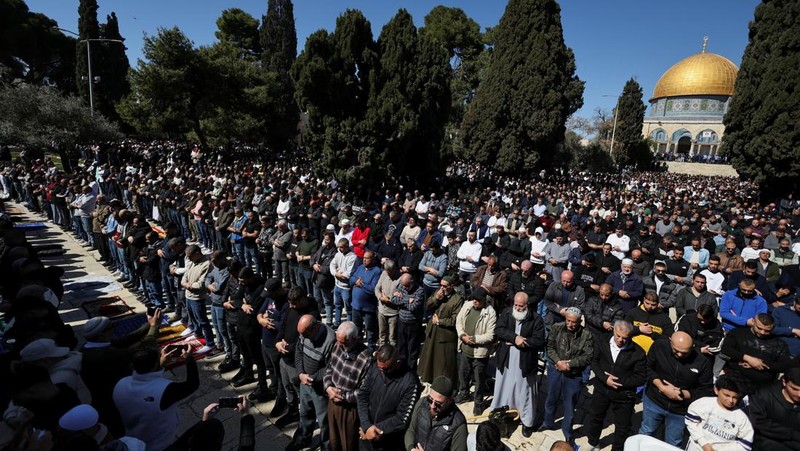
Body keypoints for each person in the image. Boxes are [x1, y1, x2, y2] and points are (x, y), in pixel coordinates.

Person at [113, 345, 199, 451]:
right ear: (154, 365)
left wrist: (159, 364)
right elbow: (192, 384)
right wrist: (189, 359)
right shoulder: (164, 389)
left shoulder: (120, 384)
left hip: (132, 438)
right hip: (160, 444)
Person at [638, 331, 713, 447]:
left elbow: (706, 390)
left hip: (680, 410)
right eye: (675, 351)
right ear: (670, 342)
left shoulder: (703, 362)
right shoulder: (659, 346)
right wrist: (662, 387)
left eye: (684, 353)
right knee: (646, 432)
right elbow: (647, 368)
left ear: (693, 347)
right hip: (654, 401)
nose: (679, 355)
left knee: (673, 442)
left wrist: (683, 394)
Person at [584, 320, 647, 451]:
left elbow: (641, 377)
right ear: (614, 331)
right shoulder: (602, 341)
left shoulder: (638, 352)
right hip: (602, 389)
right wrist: (604, 378)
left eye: (625, 338)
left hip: (623, 395)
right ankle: (593, 441)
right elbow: (594, 362)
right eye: (618, 336)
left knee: (622, 427)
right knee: (595, 416)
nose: (620, 340)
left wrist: (620, 382)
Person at [491, 292, 545, 437]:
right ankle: (501, 415)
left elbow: (539, 341)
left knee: (525, 392)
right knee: (504, 388)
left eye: (521, 306)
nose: (518, 308)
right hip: (506, 359)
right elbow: (498, 329)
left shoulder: (536, 319)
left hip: (525, 362)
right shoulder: (507, 313)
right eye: (516, 305)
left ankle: (527, 422)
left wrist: (523, 342)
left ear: (527, 305)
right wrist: (514, 338)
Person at [541, 307, 593, 445]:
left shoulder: (586, 335)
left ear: (579, 321)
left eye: (574, 322)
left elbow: (587, 356)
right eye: (568, 320)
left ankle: (567, 432)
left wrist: (569, 364)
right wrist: (558, 361)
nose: (570, 324)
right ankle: (548, 422)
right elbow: (549, 347)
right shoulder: (556, 328)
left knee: (570, 405)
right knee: (551, 398)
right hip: (555, 369)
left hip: (573, 375)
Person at [357, 345, 420, 451]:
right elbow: (362, 395)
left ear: (397, 363)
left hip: (389, 441)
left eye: (385, 369)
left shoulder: (410, 382)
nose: (381, 372)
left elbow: (402, 418)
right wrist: (366, 426)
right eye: (379, 368)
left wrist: (374, 431)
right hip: (367, 436)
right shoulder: (374, 367)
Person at [288, 315, 336, 451]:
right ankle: (303, 438)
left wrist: (311, 378)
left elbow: (330, 368)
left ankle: (326, 446)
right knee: (305, 413)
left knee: (324, 421)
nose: (301, 336)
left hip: (320, 388)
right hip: (305, 382)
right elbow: (298, 351)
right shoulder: (304, 334)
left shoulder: (330, 340)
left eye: (304, 334)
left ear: (314, 328)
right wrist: (301, 373)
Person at [323, 322, 373, 451]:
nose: (339, 345)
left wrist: (342, 396)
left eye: (343, 343)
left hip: (349, 408)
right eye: (338, 341)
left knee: (348, 444)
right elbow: (329, 368)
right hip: (332, 400)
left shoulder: (366, 358)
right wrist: (328, 387)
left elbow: (364, 390)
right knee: (334, 441)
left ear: (354, 339)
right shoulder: (337, 345)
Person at [720, 313, 792, 396]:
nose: (762, 332)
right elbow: (726, 349)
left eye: (767, 330)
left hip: (763, 385)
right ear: (753, 322)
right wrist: (748, 358)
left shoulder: (779, 343)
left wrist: (760, 364)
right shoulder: (737, 333)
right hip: (735, 379)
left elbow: (785, 365)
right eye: (759, 328)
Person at [454, 287, 497, 415]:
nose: (475, 301)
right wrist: (462, 336)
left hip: (480, 352)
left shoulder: (490, 313)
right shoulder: (467, 305)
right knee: (463, 373)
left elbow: (490, 335)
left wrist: (473, 339)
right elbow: (458, 322)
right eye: (474, 299)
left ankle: (478, 402)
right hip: (464, 348)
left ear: (484, 300)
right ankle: (464, 393)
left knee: (479, 378)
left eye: (478, 300)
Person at [685, 377, 754, 451]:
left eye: (734, 397)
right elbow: (691, 422)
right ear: (716, 390)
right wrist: (703, 443)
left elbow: (745, 445)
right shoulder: (703, 404)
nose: (730, 400)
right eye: (726, 395)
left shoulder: (741, 417)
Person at [418, 276, 464, 384]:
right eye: (441, 285)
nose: (442, 288)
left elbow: (454, 320)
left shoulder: (458, 299)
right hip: (433, 331)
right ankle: (428, 377)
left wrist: (440, 321)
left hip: (445, 335)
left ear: (451, 286)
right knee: (430, 356)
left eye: (445, 286)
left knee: (442, 362)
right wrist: (436, 299)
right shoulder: (438, 293)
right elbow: (426, 306)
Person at [405, 376, 467, 451]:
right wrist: (411, 448)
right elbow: (411, 430)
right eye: (430, 400)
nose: (432, 406)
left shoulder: (458, 425)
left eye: (438, 404)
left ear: (449, 401)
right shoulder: (421, 404)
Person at [747, 367, 800, 451]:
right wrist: (792, 434)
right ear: (784, 382)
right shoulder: (764, 395)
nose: (799, 394)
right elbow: (757, 422)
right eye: (794, 389)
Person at [180, 244, 214, 353]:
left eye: (190, 256)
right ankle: (197, 333)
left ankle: (210, 343)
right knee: (193, 318)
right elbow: (184, 278)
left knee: (202, 321)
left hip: (197, 297)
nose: (188, 259)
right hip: (188, 295)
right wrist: (187, 284)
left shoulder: (206, 264)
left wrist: (188, 285)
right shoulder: (192, 262)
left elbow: (201, 284)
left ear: (197, 253)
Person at [390, 273, 425, 370]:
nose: (404, 288)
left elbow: (413, 307)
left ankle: (411, 371)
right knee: (401, 348)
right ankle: (401, 367)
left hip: (413, 324)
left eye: (406, 285)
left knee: (412, 350)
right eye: (403, 285)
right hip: (402, 322)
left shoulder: (420, 291)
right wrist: (407, 299)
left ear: (412, 282)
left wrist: (401, 298)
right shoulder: (401, 285)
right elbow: (393, 299)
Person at [330, 238, 358, 326]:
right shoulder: (338, 254)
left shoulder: (353, 257)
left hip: (346, 287)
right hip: (337, 285)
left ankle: (348, 325)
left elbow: (348, 274)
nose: (339, 249)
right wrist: (337, 273)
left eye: (341, 247)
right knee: (337, 305)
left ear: (346, 246)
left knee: (348, 309)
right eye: (338, 247)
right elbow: (332, 265)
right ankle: (337, 323)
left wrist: (337, 273)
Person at [375, 259, 401, 346]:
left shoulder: (400, 279)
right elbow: (377, 288)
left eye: (390, 272)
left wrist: (389, 300)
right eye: (387, 271)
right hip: (382, 310)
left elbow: (401, 297)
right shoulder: (384, 274)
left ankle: (392, 355)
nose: (388, 274)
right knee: (382, 336)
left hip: (393, 313)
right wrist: (381, 297)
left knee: (392, 338)